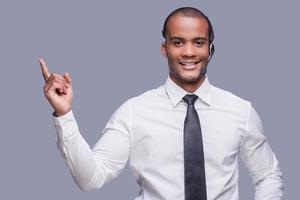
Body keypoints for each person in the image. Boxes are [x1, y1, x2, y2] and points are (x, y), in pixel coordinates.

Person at [41, 7, 284, 200]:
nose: (189, 52)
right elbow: (90, 178)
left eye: (198, 42)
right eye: (178, 42)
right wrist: (65, 114)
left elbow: (268, 175)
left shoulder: (240, 111)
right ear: (164, 48)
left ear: (210, 50)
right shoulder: (134, 112)